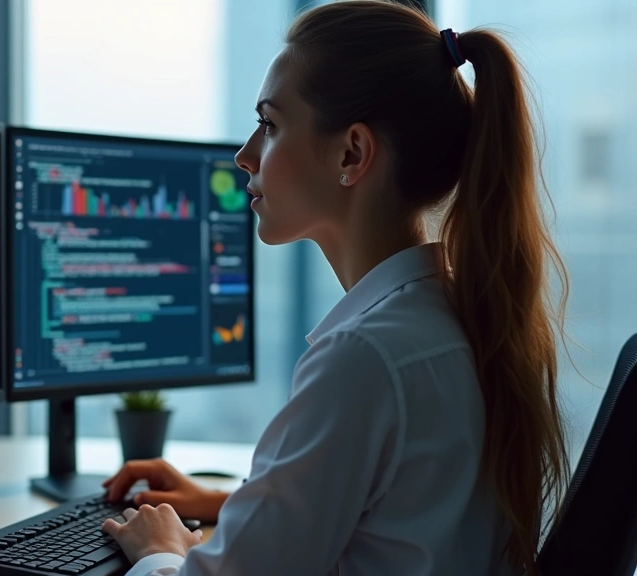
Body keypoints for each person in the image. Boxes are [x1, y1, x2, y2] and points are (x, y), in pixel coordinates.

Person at [100, 1, 571, 575]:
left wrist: (160, 553)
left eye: (270, 125)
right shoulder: (452, 319)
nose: (245, 156)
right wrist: (233, 504)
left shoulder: (364, 357)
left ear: (352, 152)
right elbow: (397, 516)